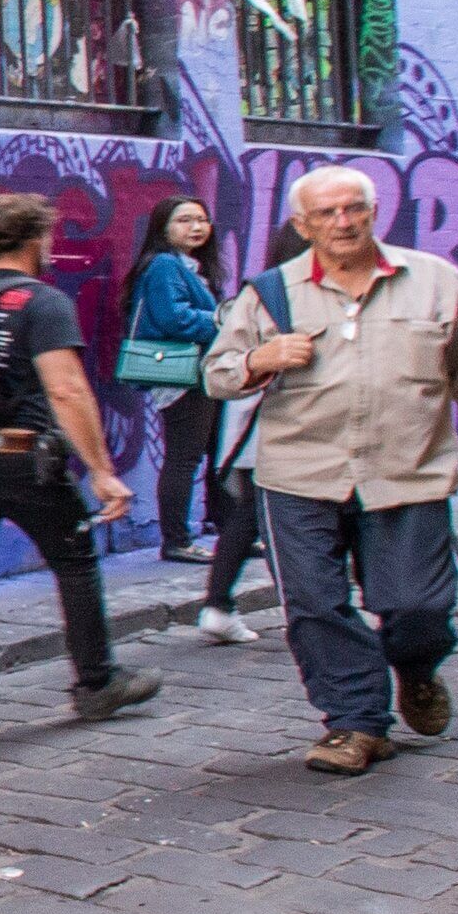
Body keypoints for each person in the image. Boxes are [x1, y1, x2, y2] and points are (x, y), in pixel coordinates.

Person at [202, 165, 458, 774]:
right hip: (299, 475)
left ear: (375, 212)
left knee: (417, 609)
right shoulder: (270, 292)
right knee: (314, 605)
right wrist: (260, 358)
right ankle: (355, 723)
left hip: (409, 471)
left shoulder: (434, 281)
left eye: (354, 208)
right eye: (326, 213)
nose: (343, 222)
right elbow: (216, 374)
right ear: (303, 225)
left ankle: (416, 666)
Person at [0, 192, 164, 758]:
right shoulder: (41, 301)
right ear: (34, 241)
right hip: (22, 457)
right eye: (48, 237)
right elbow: (67, 388)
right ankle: (97, 683)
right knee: (74, 562)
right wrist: (101, 470)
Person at [192, 219, 311, 645]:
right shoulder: (288, 297)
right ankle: (304, 611)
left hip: (249, 426)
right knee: (287, 524)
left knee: (247, 521)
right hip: (278, 428)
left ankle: (219, 605)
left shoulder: (257, 293)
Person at [123, 195, 229, 565]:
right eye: (185, 220)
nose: (196, 227)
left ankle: (226, 529)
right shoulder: (165, 265)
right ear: (163, 228)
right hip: (181, 372)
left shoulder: (189, 266)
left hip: (200, 370)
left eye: (201, 220)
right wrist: (221, 321)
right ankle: (176, 540)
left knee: (209, 452)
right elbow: (174, 319)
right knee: (184, 458)